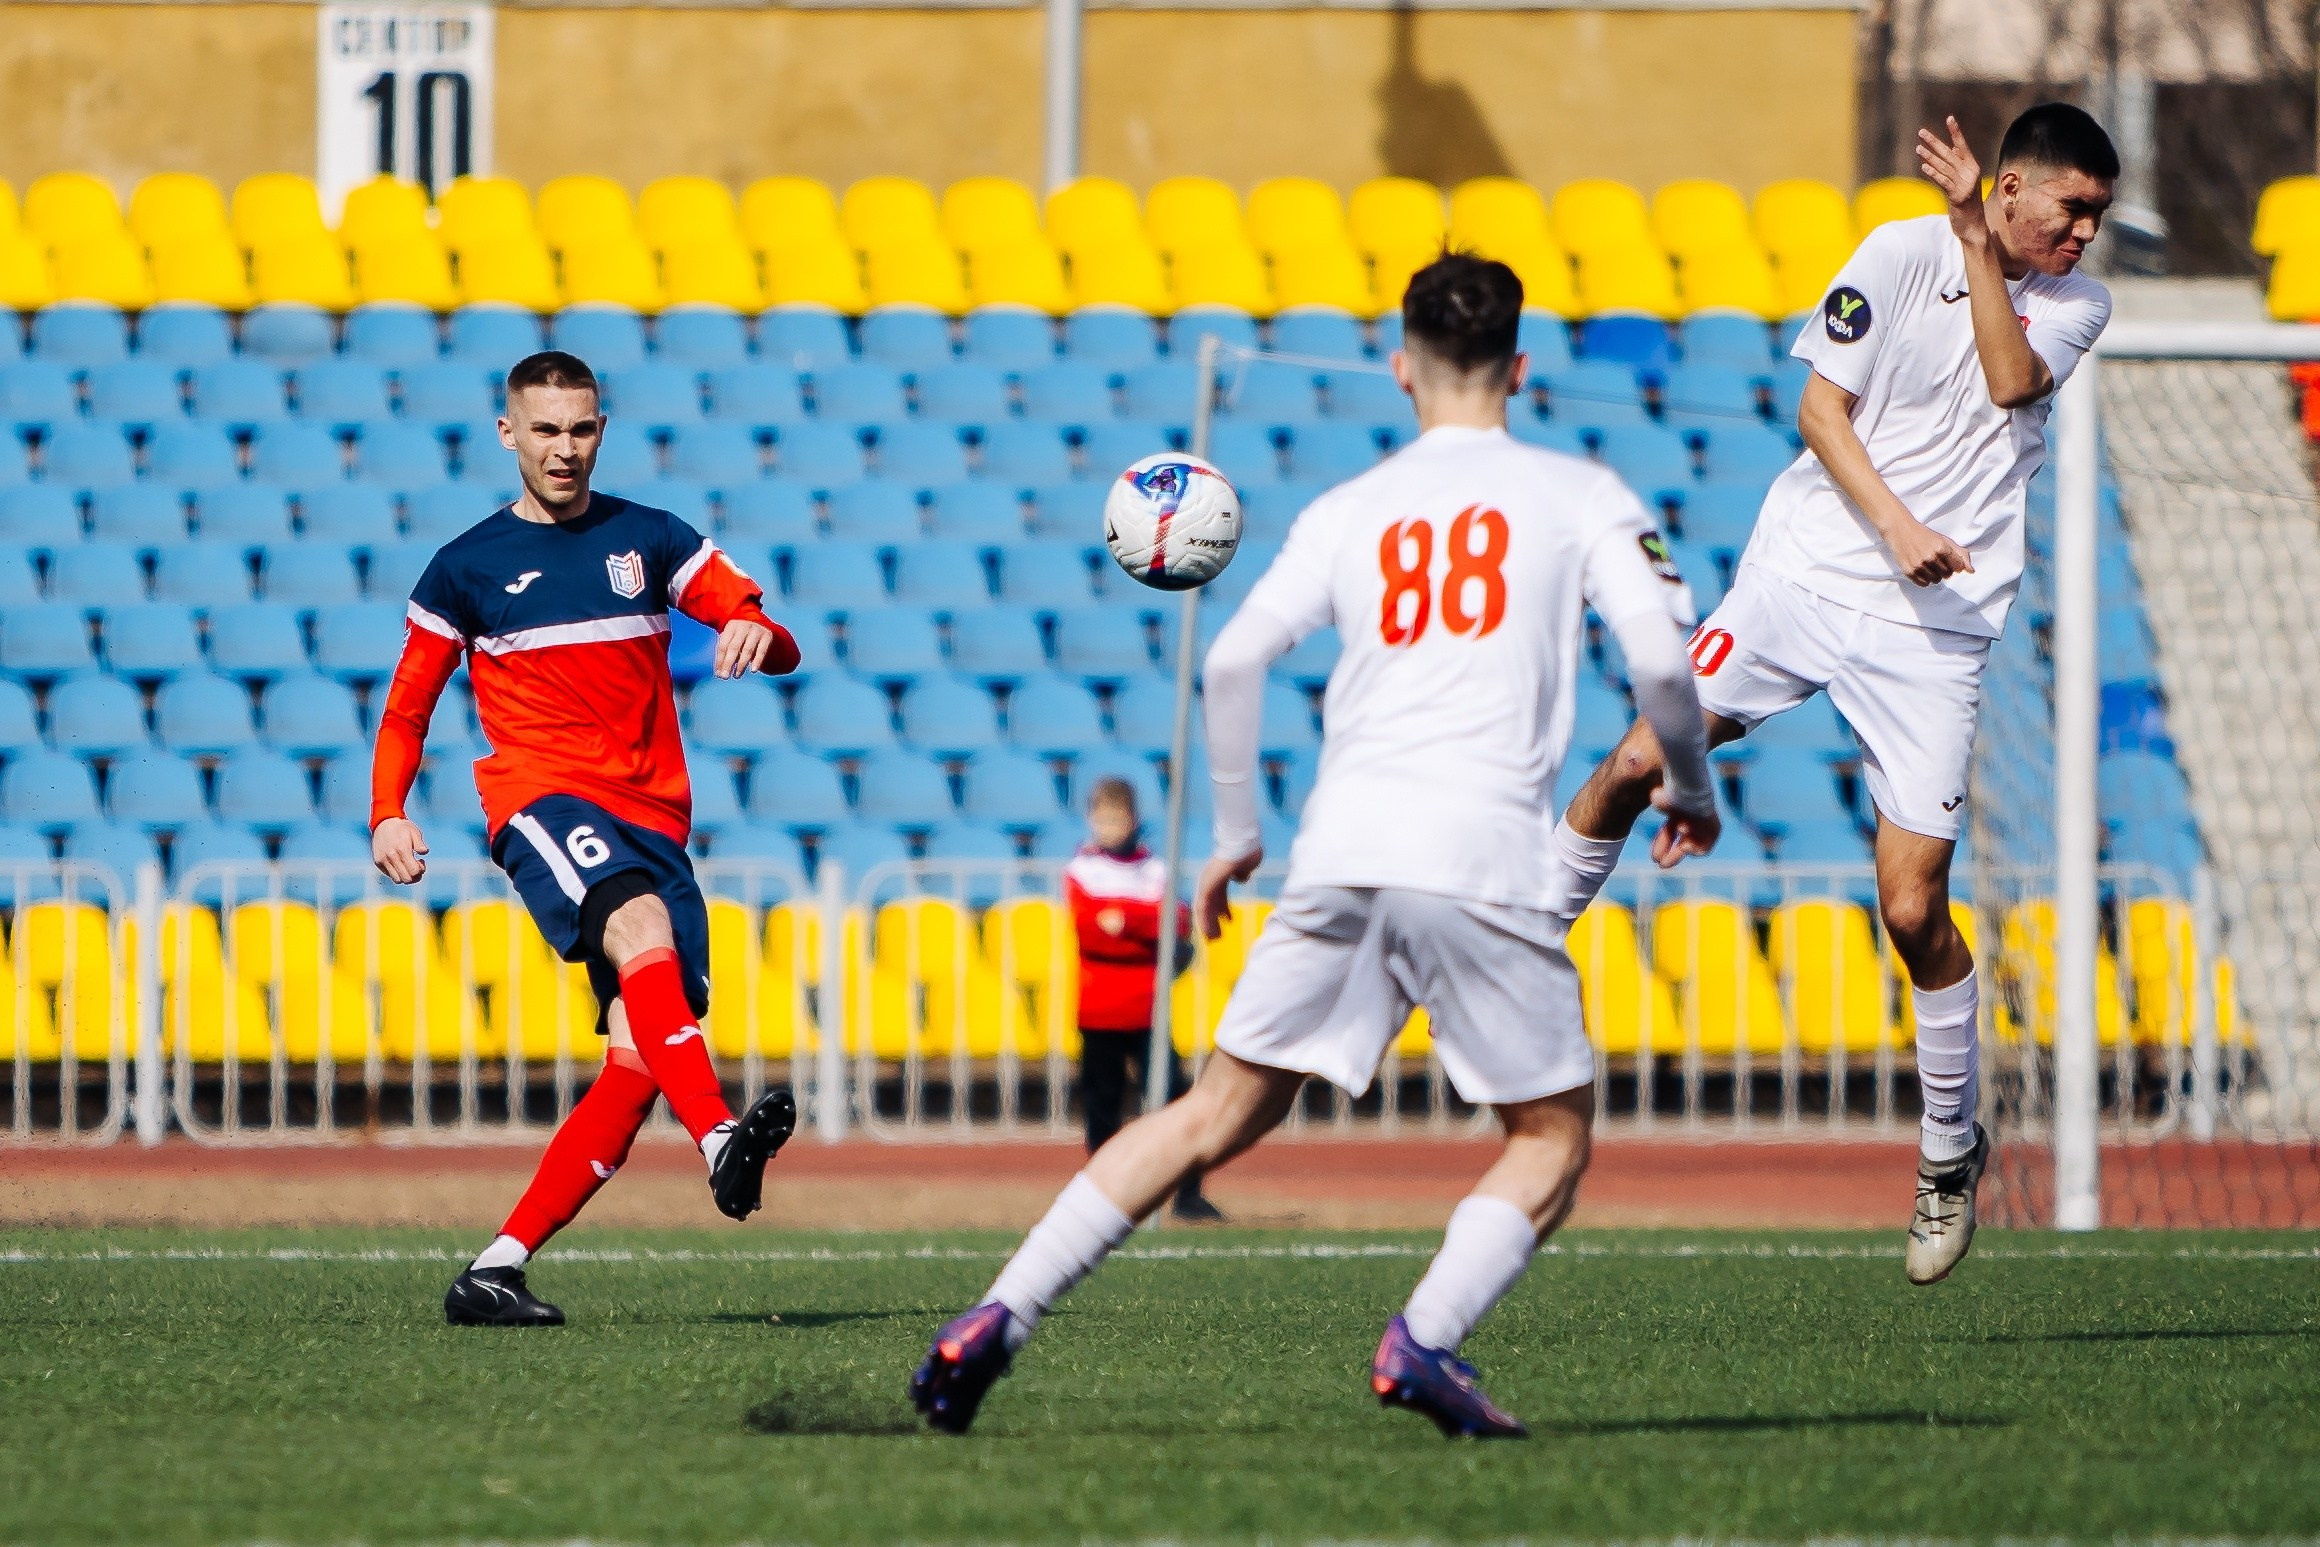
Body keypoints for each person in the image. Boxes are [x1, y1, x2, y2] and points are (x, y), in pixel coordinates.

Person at [909, 252, 1717, 1438]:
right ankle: (1423, 1339)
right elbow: (1658, 660)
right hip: (1477, 853)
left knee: (1209, 1111)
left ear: (1400, 367)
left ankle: (996, 1314)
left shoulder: (1349, 507)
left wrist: (1238, 837)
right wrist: (1689, 785)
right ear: (1521, 367)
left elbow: (1231, 658)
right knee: (1548, 1135)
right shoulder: (1579, 490)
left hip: (1340, 847)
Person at [1542, 103, 2116, 1286]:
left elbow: (2009, 385)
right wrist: (1896, 521)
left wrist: (1975, 244)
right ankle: (1512, 947)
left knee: (1911, 911)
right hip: (1800, 581)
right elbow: (1818, 410)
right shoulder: (1893, 256)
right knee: (1632, 766)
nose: (2084, 235)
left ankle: (1949, 1148)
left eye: (2098, 217)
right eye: (2070, 210)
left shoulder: (2072, 305)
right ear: (2012, 187)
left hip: (1934, 632)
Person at [369, 350, 806, 1328]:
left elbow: (774, 634)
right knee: (637, 924)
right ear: (508, 433)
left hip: (656, 818)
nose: (564, 448)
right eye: (546, 429)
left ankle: (496, 1266)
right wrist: (388, 809)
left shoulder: (650, 537)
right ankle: (722, 1140)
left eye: (581, 429)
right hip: (544, 798)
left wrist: (750, 631)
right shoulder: (465, 567)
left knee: (638, 1058)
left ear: (599, 430)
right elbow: (407, 708)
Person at [1064, 776, 1221, 1223]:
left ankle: (1187, 1193)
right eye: (1102, 817)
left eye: (1118, 817)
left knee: (1174, 1100)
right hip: (1099, 1009)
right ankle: (1100, 1199)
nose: (1110, 826)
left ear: (1133, 820)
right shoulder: (1081, 870)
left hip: (1147, 1008)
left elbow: (1174, 923)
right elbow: (1090, 931)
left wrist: (1126, 922)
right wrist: (1140, 927)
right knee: (1102, 1107)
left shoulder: (1155, 870)